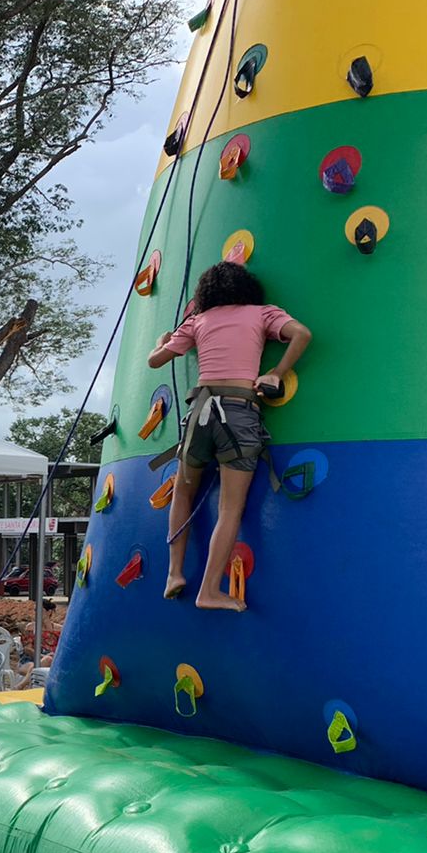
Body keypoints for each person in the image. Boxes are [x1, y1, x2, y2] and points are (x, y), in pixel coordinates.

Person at [149, 261, 310, 611]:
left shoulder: (198, 320)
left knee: (183, 492)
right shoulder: (262, 313)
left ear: (207, 293)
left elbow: (155, 360)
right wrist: (276, 372)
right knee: (230, 507)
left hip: (199, 413)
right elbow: (302, 334)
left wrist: (163, 340)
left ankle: (174, 573)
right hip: (238, 411)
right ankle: (209, 590)